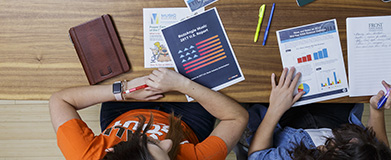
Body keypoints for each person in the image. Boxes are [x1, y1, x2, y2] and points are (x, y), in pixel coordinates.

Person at [49, 67, 248, 159]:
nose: (169, 142)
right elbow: (237, 117)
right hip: (188, 121)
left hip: (123, 110)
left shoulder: (85, 156)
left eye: (151, 141)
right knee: (198, 69)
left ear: (110, 152)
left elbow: (60, 100)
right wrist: (182, 85)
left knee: (129, 62)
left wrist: (125, 91)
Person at [245, 67, 391, 159]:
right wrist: (377, 109)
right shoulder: (371, 152)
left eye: (348, 147)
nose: (355, 140)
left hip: (284, 121)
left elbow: (257, 156)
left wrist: (274, 109)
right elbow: (379, 146)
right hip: (338, 119)